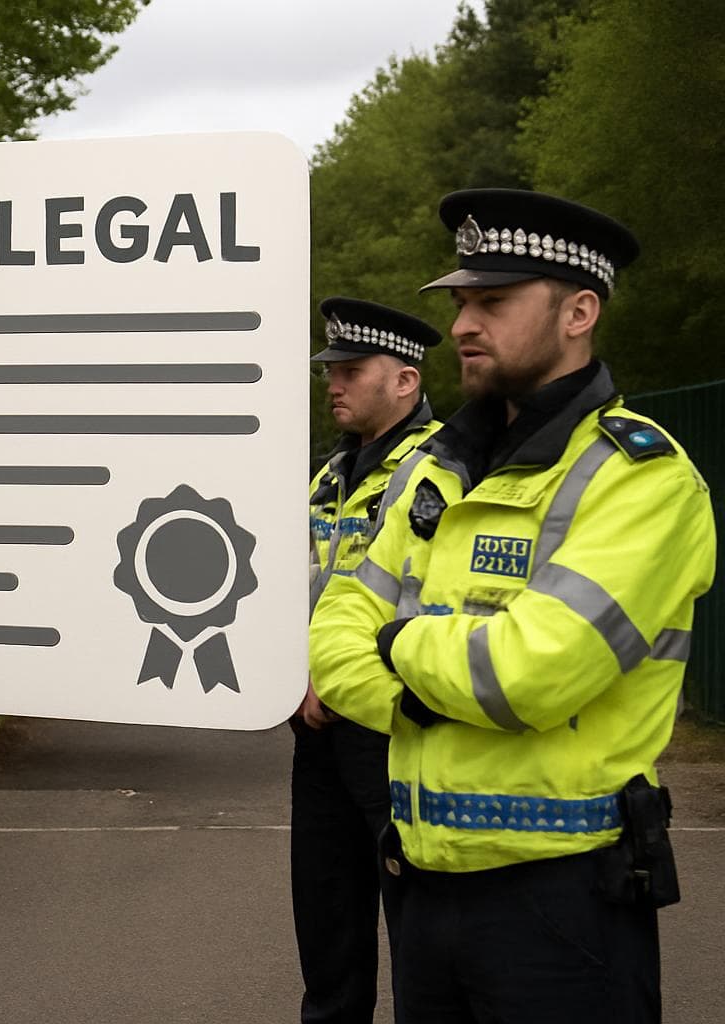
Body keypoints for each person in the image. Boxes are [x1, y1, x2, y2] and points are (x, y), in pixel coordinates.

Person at [310, 189, 716, 1023]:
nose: (464, 323)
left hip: (564, 903)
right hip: (422, 882)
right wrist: (420, 676)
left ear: (580, 311)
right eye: (461, 302)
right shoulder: (438, 470)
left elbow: (530, 675)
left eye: (493, 302)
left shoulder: (642, 477)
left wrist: (396, 648)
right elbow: (332, 635)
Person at [294, 298, 442, 1023]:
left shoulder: (445, 470)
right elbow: (296, 587)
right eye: (331, 371)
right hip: (316, 726)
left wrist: (351, 681)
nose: (334, 384)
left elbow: (438, 603)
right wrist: (294, 674)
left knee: (421, 932)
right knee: (327, 927)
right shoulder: (327, 477)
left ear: (406, 381)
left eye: (352, 371)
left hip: (395, 728)